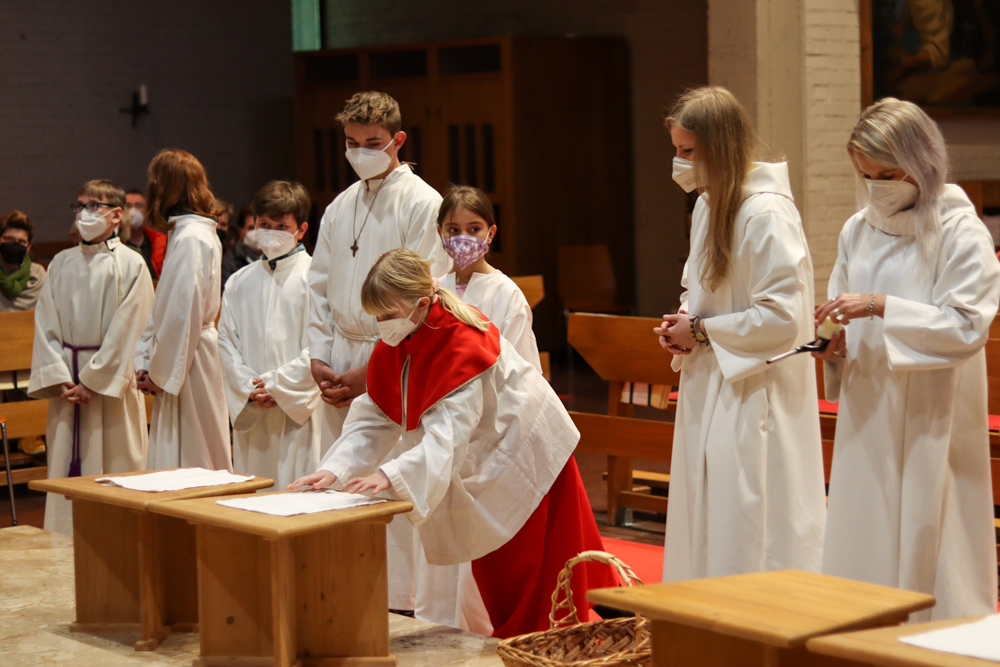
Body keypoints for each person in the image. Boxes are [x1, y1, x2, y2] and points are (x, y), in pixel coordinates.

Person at [290, 249, 614, 638]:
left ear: (420, 303)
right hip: (491, 458)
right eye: (376, 316)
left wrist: (390, 475)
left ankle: (539, 648)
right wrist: (334, 470)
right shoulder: (403, 334)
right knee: (499, 575)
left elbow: (448, 437)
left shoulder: (462, 343)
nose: (381, 326)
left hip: (528, 455)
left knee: (532, 581)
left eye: (387, 314)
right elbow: (375, 415)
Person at [815, 98, 1000, 622]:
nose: (877, 186)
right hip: (869, 399)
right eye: (867, 175)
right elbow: (840, 305)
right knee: (865, 511)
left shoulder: (959, 231)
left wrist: (880, 306)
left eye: (888, 174)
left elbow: (966, 325)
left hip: (931, 406)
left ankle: (934, 629)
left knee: (929, 516)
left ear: (922, 162)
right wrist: (831, 340)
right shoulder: (858, 228)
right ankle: (859, 624)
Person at [654, 86, 826, 581]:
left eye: (689, 150)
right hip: (711, 379)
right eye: (677, 149)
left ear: (720, 145)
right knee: (707, 514)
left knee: (747, 522)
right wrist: (682, 320)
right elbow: (698, 285)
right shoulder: (709, 204)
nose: (680, 162)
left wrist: (701, 330)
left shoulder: (766, 212)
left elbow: (782, 318)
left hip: (754, 390)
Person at [307, 91, 450, 615]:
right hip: (340, 355)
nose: (360, 152)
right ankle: (351, 587)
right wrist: (319, 357)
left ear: (398, 140)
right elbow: (317, 285)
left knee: (390, 476)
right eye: (351, 143)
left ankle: (401, 600)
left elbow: (424, 293)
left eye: (372, 143)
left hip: (394, 349)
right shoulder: (340, 205)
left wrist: (370, 372)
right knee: (342, 473)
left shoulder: (422, 202)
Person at [27, 180, 154, 534]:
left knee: (117, 468)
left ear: (116, 215)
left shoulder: (131, 265)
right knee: (66, 471)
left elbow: (129, 331)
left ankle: (119, 546)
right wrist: (60, 377)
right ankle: (63, 546)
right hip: (68, 388)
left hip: (110, 391)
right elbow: (45, 327)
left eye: (94, 206)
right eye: (80, 206)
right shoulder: (60, 263)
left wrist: (93, 381)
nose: (84, 213)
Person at [218, 181, 322, 489]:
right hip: (255, 410)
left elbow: (321, 345)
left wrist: (277, 385)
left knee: (298, 494)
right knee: (255, 494)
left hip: (298, 411)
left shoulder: (316, 278)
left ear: (301, 230)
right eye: (264, 225)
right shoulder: (239, 281)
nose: (271, 233)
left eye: (281, 226)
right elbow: (226, 342)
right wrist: (249, 388)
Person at [133, 149, 231, 471]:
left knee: (194, 452)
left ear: (165, 187)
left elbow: (182, 313)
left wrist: (159, 374)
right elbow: (166, 307)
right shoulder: (189, 231)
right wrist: (145, 360)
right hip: (186, 353)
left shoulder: (191, 236)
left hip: (189, 356)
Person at [437, 185, 541, 373]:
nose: (463, 239)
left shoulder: (507, 293)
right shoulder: (435, 292)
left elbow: (523, 371)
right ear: (440, 233)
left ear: (491, 233)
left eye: (474, 229)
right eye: (454, 230)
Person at [0, 211, 47, 312]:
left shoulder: (38, 276)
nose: (15, 245)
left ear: (28, 247)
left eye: (22, 241)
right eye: (9, 239)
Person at [122, 188, 167, 280]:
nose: (133, 210)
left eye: (138, 205)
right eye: (128, 206)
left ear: (146, 210)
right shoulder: (115, 242)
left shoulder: (160, 241)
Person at [221, 203, 261, 289]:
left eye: (260, 228)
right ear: (241, 232)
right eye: (251, 228)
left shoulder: (274, 259)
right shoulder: (230, 261)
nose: (256, 233)